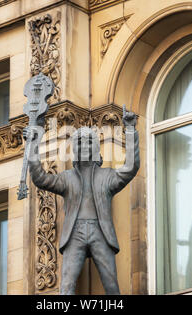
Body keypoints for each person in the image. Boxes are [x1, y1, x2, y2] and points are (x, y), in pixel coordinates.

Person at [23, 106, 139, 295]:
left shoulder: (107, 176)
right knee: (66, 287)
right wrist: (33, 146)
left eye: (88, 143)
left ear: (94, 148)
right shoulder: (67, 178)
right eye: (79, 143)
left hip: (100, 232)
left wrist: (131, 130)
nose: (84, 146)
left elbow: (131, 167)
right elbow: (40, 178)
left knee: (111, 286)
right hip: (74, 233)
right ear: (75, 149)